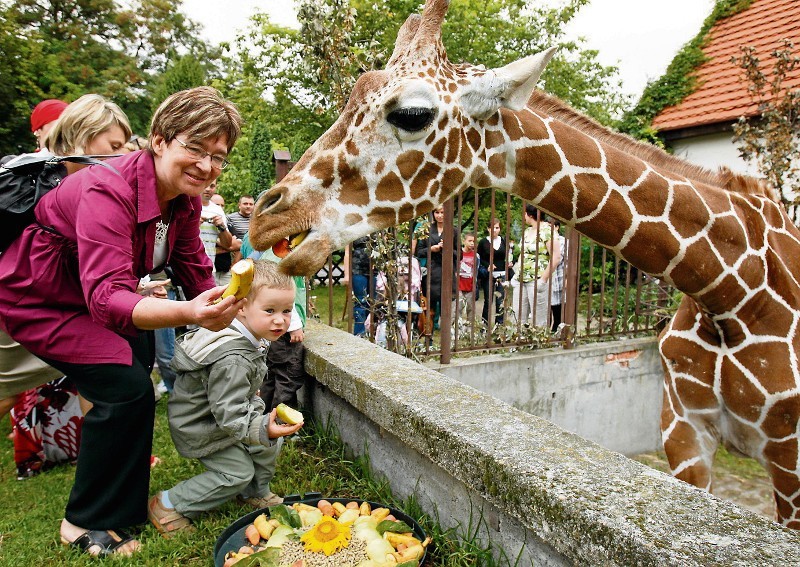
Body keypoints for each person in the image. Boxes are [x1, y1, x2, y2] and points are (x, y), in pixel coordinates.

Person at [0, 86, 243, 557]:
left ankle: (122, 505)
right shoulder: (105, 186)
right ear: (159, 140)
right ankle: (84, 523)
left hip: (89, 293)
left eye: (218, 156)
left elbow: (193, 265)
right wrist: (192, 312)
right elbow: (109, 297)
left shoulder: (185, 199)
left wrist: (233, 320)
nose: (206, 165)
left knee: (139, 368)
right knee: (124, 384)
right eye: (194, 148)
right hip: (38, 297)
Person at [6, 94, 132, 478]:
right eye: (114, 145)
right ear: (81, 137)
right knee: (6, 388)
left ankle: (107, 461)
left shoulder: (97, 181)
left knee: (103, 379)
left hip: (67, 308)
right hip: (23, 304)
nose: (124, 153)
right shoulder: (42, 178)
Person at [147, 261, 303, 536]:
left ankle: (255, 492)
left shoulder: (251, 334)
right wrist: (261, 425)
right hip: (202, 426)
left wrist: (258, 420)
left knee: (267, 445)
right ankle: (169, 504)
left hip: (223, 416)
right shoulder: (233, 359)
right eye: (270, 311)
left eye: (286, 311)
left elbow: (233, 397)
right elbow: (228, 413)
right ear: (241, 307)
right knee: (236, 472)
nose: (280, 320)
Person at [239, 234, 309, 413]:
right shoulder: (278, 256)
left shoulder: (262, 247)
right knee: (288, 373)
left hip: (270, 329)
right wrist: (294, 326)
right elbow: (281, 298)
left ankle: (263, 414)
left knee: (269, 374)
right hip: (283, 332)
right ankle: (280, 419)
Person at [510, 204, 562, 328]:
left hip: (537, 280)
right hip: (521, 280)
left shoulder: (548, 231)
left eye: (524, 213)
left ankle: (538, 345)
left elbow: (556, 256)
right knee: (517, 317)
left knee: (539, 320)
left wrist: (543, 280)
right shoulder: (528, 231)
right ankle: (518, 344)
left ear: (530, 215)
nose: (524, 216)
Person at [414, 205, 459, 330]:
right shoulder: (427, 229)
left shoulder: (453, 231)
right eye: (437, 212)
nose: (440, 215)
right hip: (431, 273)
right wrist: (432, 249)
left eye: (443, 212)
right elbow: (419, 252)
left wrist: (448, 248)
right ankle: (429, 335)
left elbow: (459, 255)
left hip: (447, 272)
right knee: (430, 307)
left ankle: (446, 335)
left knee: (446, 308)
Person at [477, 218, 510, 326]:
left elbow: (510, 255)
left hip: (502, 274)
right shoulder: (483, 242)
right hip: (489, 275)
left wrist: (511, 262)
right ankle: (485, 325)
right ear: (488, 229)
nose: (494, 230)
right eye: (492, 227)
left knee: (500, 302)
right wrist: (487, 265)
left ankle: (499, 325)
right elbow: (478, 257)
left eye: (497, 227)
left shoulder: (504, 240)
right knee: (488, 301)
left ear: (500, 229)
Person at [200, 179, 234, 284]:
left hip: (210, 268)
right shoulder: (187, 204)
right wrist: (193, 225)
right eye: (205, 184)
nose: (208, 189)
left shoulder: (217, 210)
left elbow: (228, 244)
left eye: (212, 186)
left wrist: (221, 227)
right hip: (188, 268)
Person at [343, 236, 373, 336]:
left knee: (375, 303)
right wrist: (347, 275)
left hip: (375, 270)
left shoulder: (379, 227)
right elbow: (347, 253)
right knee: (360, 302)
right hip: (358, 269)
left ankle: (373, 331)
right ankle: (359, 333)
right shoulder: (355, 228)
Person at [210, 193, 241, 286]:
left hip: (225, 272)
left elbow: (238, 245)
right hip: (207, 271)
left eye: (222, 205)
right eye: (217, 205)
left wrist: (215, 243)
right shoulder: (200, 223)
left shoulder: (228, 224)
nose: (220, 208)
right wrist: (226, 247)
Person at [548, 216, 566, 333]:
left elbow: (558, 258)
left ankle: (557, 326)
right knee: (547, 303)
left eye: (551, 227)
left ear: (557, 227)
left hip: (559, 275)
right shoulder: (544, 239)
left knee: (558, 303)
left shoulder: (563, 241)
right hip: (547, 276)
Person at [457, 232, 479, 323]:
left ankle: (470, 329)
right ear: (464, 241)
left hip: (470, 286)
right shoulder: (458, 253)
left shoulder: (476, 256)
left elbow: (476, 270)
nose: (472, 243)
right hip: (459, 286)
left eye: (474, 241)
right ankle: (457, 328)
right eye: (469, 241)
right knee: (458, 308)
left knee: (471, 309)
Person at [227, 194, 255, 262]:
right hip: (235, 258)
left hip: (253, 258)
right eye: (245, 204)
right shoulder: (229, 218)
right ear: (239, 205)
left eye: (251, 204)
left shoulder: (257, 219)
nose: (248, 206)